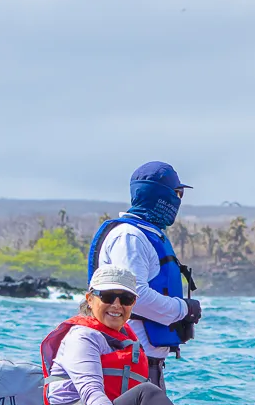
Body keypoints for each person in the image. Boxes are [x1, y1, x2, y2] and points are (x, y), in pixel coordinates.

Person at [40, 266, 255, 405]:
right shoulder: (82, 337)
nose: (116, 305)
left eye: (125, 299)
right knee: (146, 392)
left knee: (148, 399)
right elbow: (92, 393)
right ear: (90, 299)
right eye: (107, 296)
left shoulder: (127, 341)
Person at [86, 160, 201, 388]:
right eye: (177, 194)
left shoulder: (145, 235)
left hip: (146, 363)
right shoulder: (130, 238)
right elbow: (133, 296)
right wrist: (183, 309)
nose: (178, 201)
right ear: (161, 196)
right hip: (130, 363)